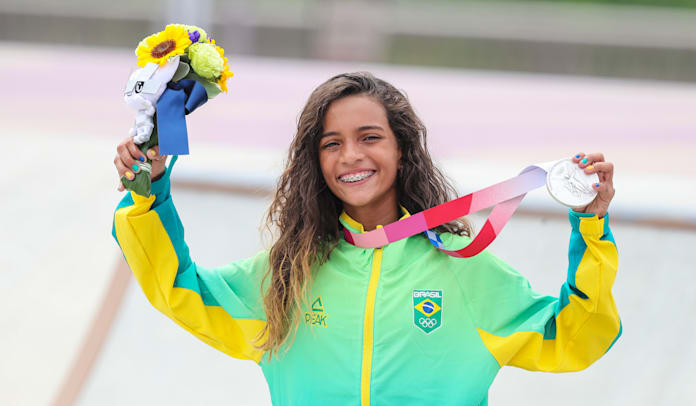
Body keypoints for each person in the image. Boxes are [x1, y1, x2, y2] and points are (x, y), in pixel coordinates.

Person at [112, 72, 620, 405]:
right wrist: (148, 192)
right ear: (316, 164)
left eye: (370, 138)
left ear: (403, 151)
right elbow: (180, 289)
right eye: (331, 144)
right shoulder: (287, 276)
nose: (350, 155)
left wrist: (590, 226)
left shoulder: (464, 273)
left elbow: (576, 336)